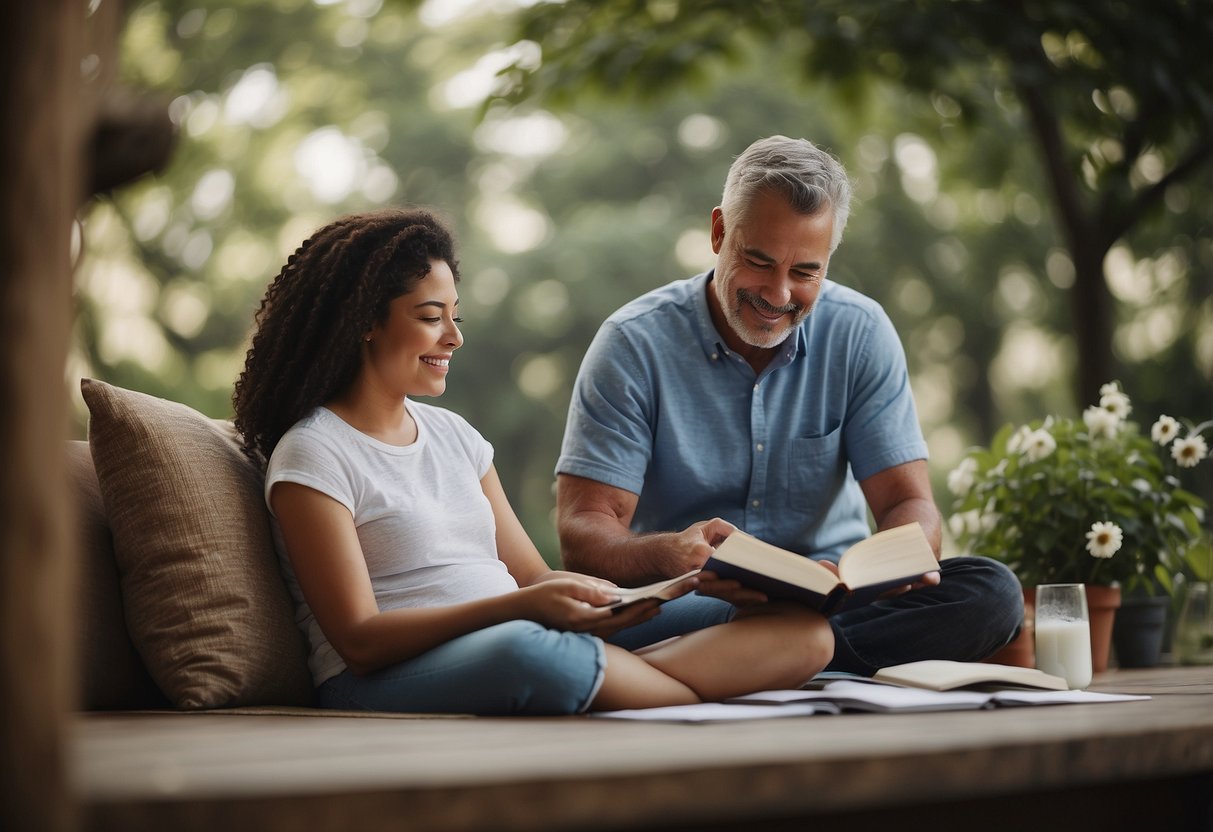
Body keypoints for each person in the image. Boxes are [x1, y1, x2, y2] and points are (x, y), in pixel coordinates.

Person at [231, 207, 833, 716]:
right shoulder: (314, 451)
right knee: (530, 650)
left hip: (518, 635)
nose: (453, 338)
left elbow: (535, 578)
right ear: (364, 321)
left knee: (793, 622)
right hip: (388, 675)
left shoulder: (455, 437)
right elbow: (359, 641)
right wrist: (520, 609)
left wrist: (638, 594)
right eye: (430, 317)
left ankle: (613, 678)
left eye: (454, 316)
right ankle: (647, 683)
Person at [556, 136, 1023, 675]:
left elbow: (908, 503)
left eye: (806, 272)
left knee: (993, 591)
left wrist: (899, 558)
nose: (778, 295)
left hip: (836, 600)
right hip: (696, 601)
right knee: (630, 615)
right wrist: (672, 555)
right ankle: (794, 657)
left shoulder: (861, 332)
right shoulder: (632, 344)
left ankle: (760, 663)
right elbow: (583, 532)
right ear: (718, 232)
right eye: (759, 261)